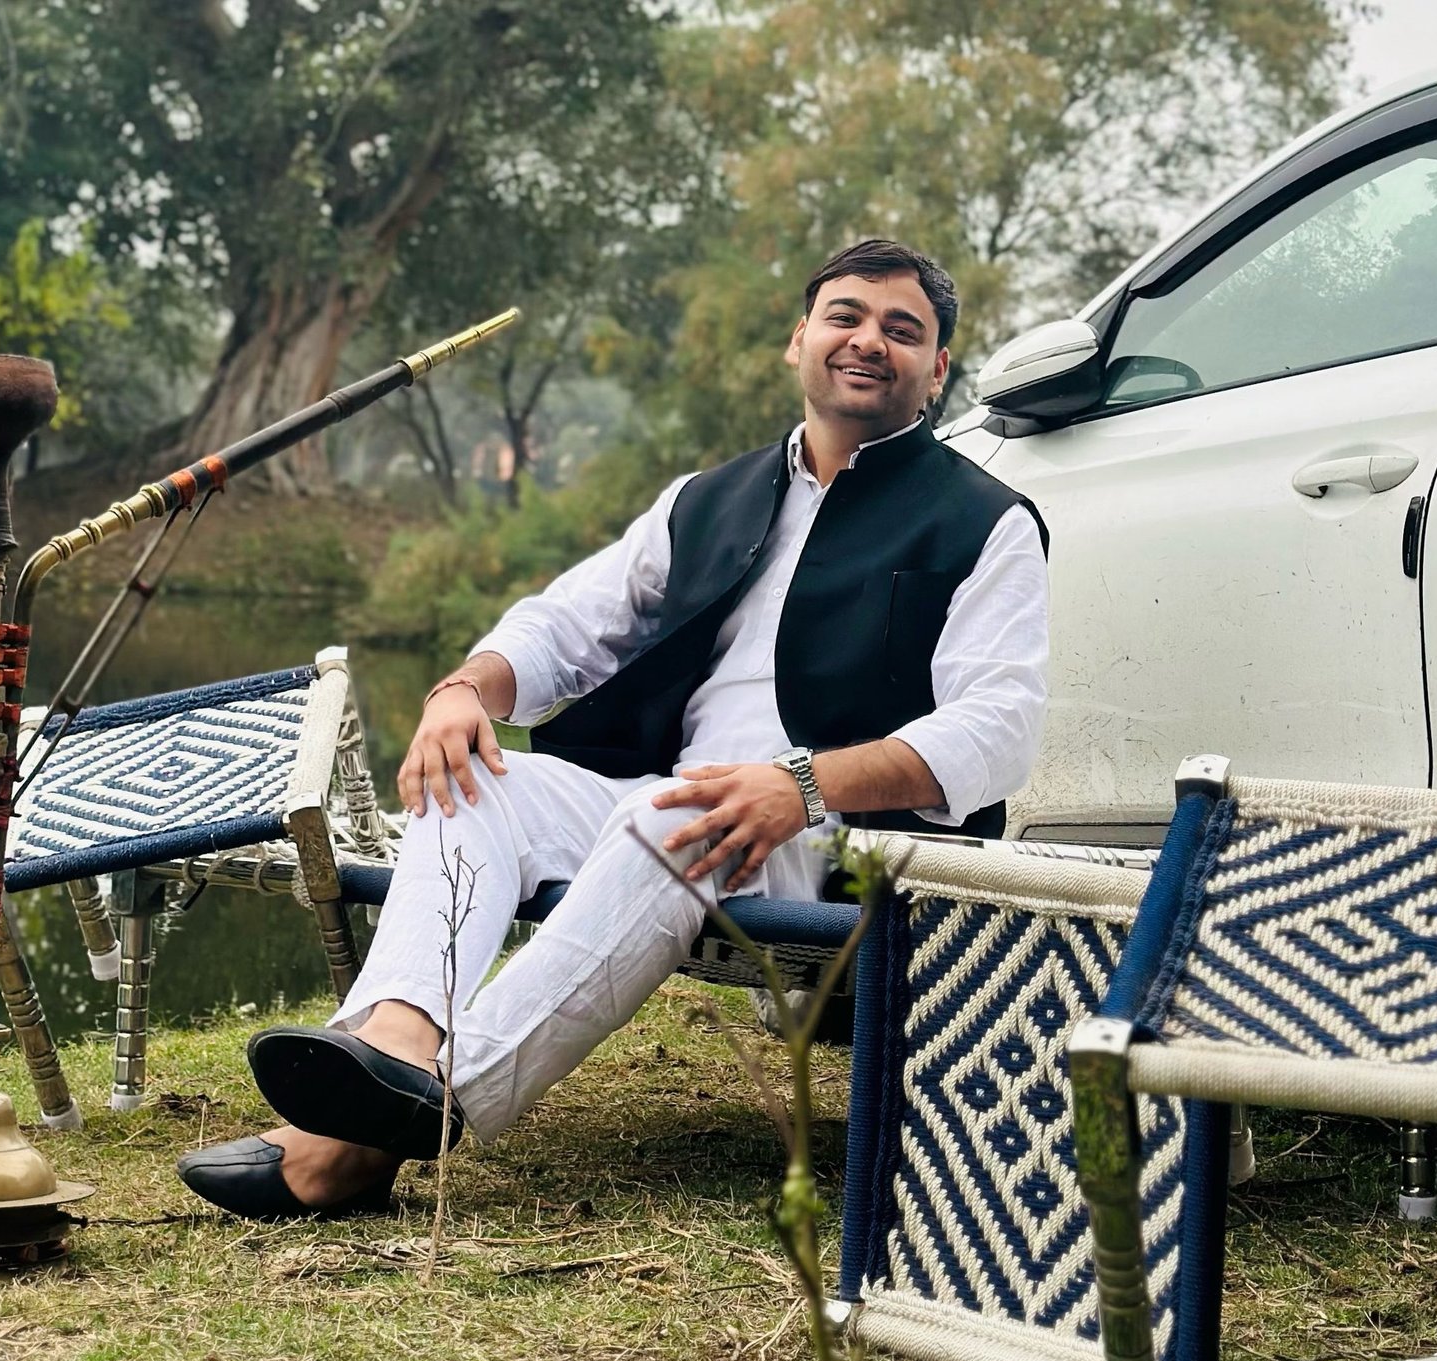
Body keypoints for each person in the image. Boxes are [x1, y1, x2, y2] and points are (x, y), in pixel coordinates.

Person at [177, 238, 1051, 1218]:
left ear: (937, 372)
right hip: (678, 791)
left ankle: (395, 1122)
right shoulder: (706, 498)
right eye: (846, 315)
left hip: (844, 838)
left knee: (667, 817)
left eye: (905, 330)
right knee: (484, 779)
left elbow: (1001, 729)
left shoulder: (986, 520)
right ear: (798, 339)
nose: (869, 340)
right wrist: (465, 687)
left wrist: (800, 783)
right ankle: (397, 1040)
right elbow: (564, 623)